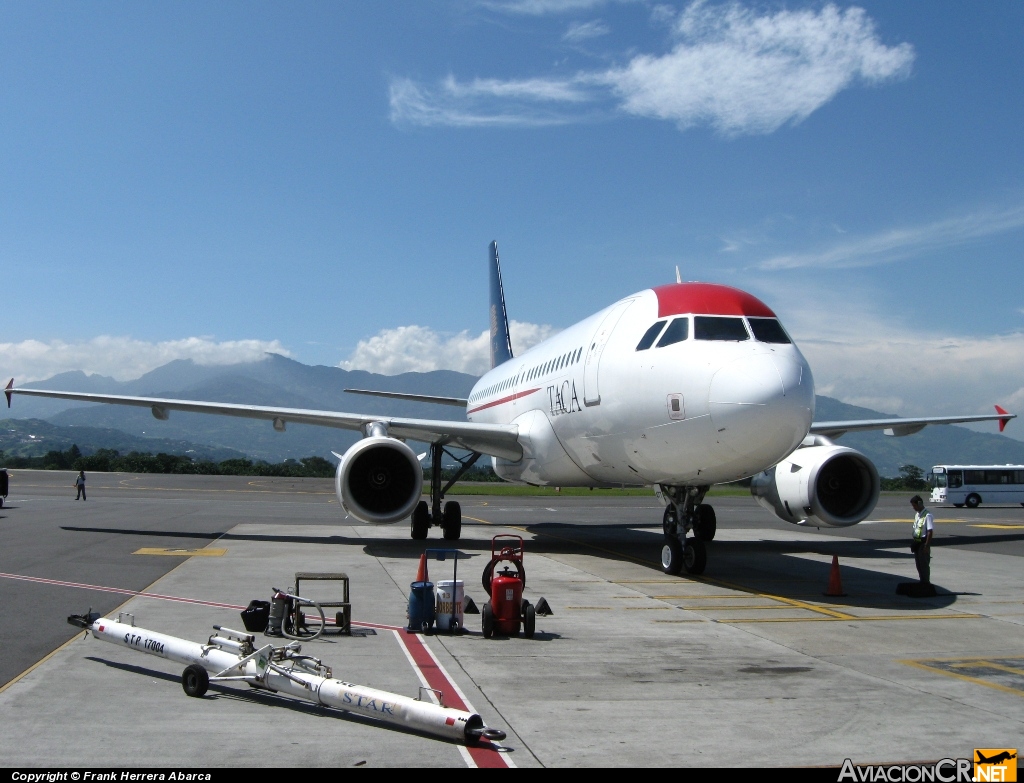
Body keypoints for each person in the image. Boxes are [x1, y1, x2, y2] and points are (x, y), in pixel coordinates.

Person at [909, 495, 933, 584]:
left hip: (923, 543)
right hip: (917, 543)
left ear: (919, 504)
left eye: (914, 505)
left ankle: (926, 582)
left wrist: (927, 546)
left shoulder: (928, 515)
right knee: (918, 565)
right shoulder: (917, 515)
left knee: (924, 565)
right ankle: (922, 581)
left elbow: (930, 531)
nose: (913, 508)